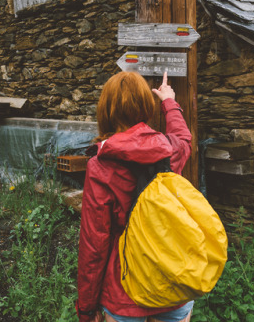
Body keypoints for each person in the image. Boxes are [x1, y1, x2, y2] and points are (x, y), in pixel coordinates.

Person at [76, 71, 193, 322]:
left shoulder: (100, 165)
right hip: (172, 280)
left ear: (106, 110)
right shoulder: (168, 150)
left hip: (123, 291)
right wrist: (168, 101)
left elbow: (94, 244)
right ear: (144, 107)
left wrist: (86, 309)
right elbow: (184, 138)